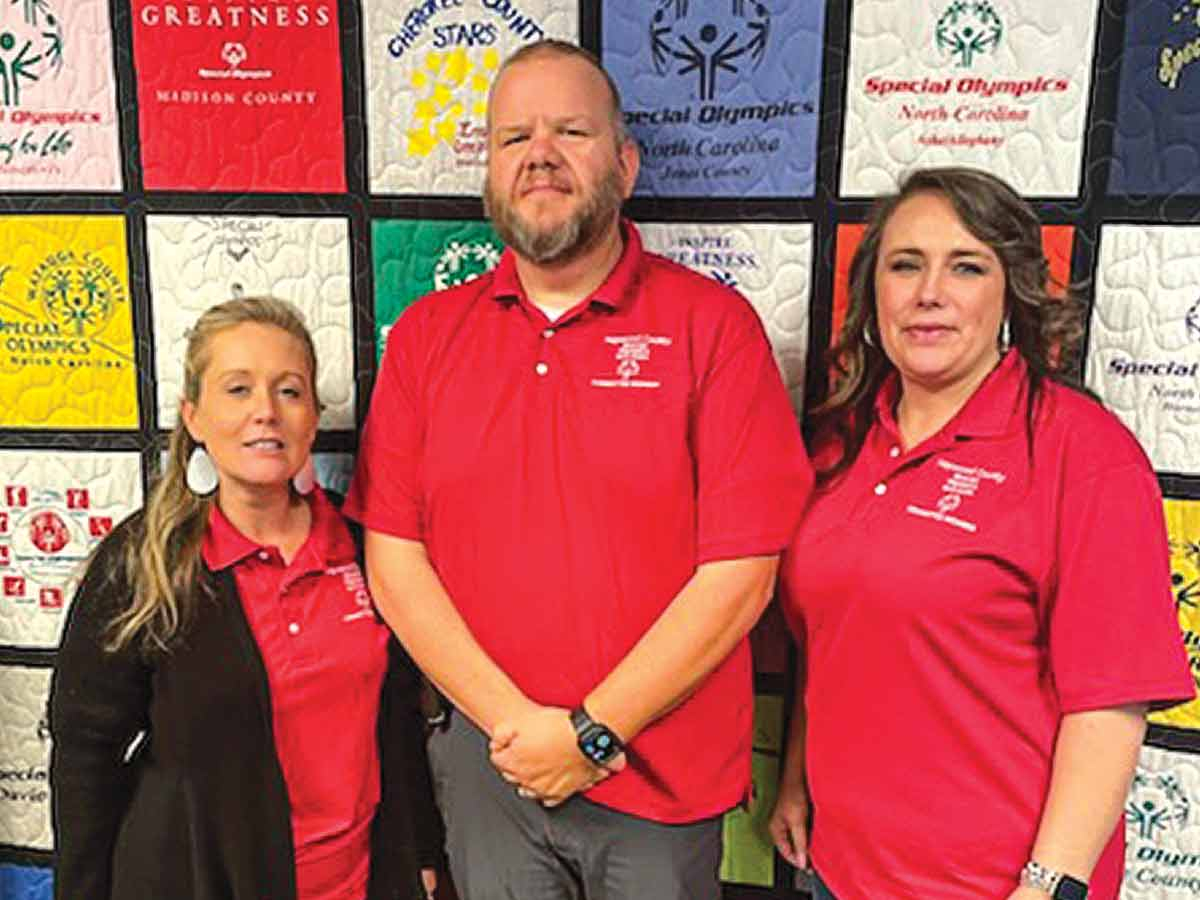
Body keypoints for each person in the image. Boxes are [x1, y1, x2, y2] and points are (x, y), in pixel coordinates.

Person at [344, 39, 813, 900]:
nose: (541, 157)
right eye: (514, 138)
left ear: (626, 165)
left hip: (657, 782)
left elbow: (742, 575)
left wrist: (593, 733)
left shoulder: (713, 328)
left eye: (571, 131)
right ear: (489, 170)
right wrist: (520, 729)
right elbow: (397, 560)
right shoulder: (425, 340)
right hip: (494, 773)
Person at [769, 167, 1193, 900]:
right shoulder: (839, 444)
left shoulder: (1082, 454)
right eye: (906, 265)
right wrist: (796, 776)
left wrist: (1048, 883)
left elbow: (1109, 707)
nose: (929, 291)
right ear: (874, 291)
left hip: (995, 885)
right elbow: (835, 633)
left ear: (1010, 291)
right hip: (839, 872)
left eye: (966, 266)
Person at [49, 297, 443, 900]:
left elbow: (395, 722)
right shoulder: (142, 562)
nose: (266, 412)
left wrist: (421, 852)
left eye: (289, 391)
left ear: (312, 417)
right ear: (194, 417)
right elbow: (85, 756)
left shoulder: (364, 549)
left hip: (358, 882)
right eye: (237, 390)